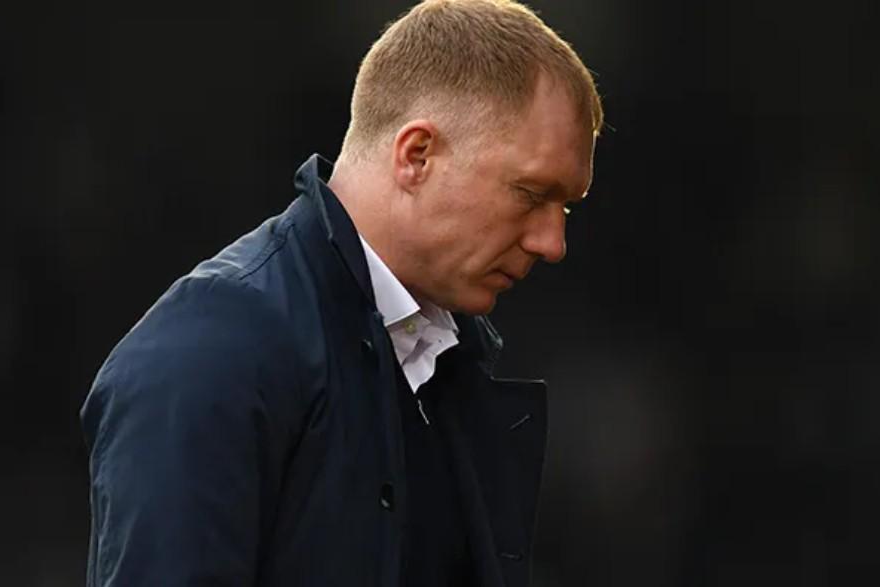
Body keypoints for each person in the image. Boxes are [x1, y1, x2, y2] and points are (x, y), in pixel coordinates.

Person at [80, 0, 603, 585]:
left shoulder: (444, 362)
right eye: (531, 194)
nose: (552, 243)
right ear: (417, 155)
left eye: (565, 208)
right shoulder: (206, 352)